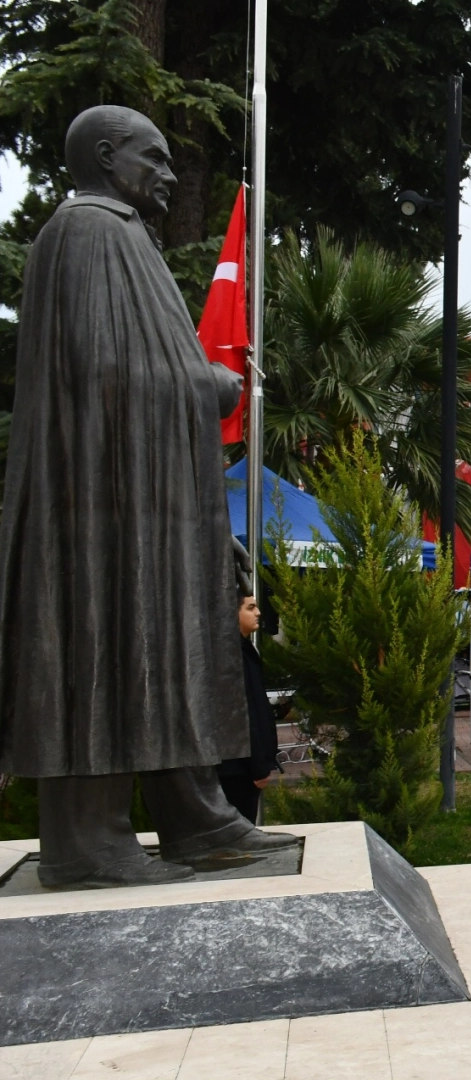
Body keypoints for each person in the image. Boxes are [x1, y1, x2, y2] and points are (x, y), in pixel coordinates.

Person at [0, 105, 297, 887]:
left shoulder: (121, 234)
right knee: (104, 646)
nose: (167, 174)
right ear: (105, 155)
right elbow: (104, 373)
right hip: (102, 504)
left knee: (168, 649)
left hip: (146, 495)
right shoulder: (88, 232)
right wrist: (207, 385)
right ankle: (86, 842)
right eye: (154, 158)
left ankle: (195, 817)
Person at [217, 594, 282, 824]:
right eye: (250, 607)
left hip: (242, 765)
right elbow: (242, 714)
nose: (258, 613)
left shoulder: (244, 650)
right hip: (236, 769)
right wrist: (257, 766)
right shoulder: (230, 656)